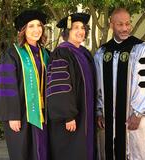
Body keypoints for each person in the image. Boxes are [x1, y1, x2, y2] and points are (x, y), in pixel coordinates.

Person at [94, 8, 145, 160]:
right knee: (109, 150)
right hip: (109, 118)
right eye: (120, 24)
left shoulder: (142, 49)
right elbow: (98, 85)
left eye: (127, 24)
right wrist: (99, 110)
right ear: (111, 25)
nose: (125, 28)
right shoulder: (102, 52)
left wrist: (139, 113)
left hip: (133, 117)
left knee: (135, 151)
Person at [0, 9, 49, 160]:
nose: (36, 30)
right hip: (22, 114)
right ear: (23, 30)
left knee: (42, 150)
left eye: (39, 25)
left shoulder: (46, 53)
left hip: (44, 113)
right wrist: (12, 116)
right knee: (24, 151)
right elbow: (6, 87)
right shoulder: (12, 54)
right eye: (31, 26)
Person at [46, 13, 95, 160]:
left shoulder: (84, 53)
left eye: (83, 28)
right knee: (70, 151)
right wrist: (68, 115)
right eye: (76, 28)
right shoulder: (62, 52)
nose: (81, 31)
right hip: (71, 117)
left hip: (85, 114)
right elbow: (60, 86)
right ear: (67, 32)